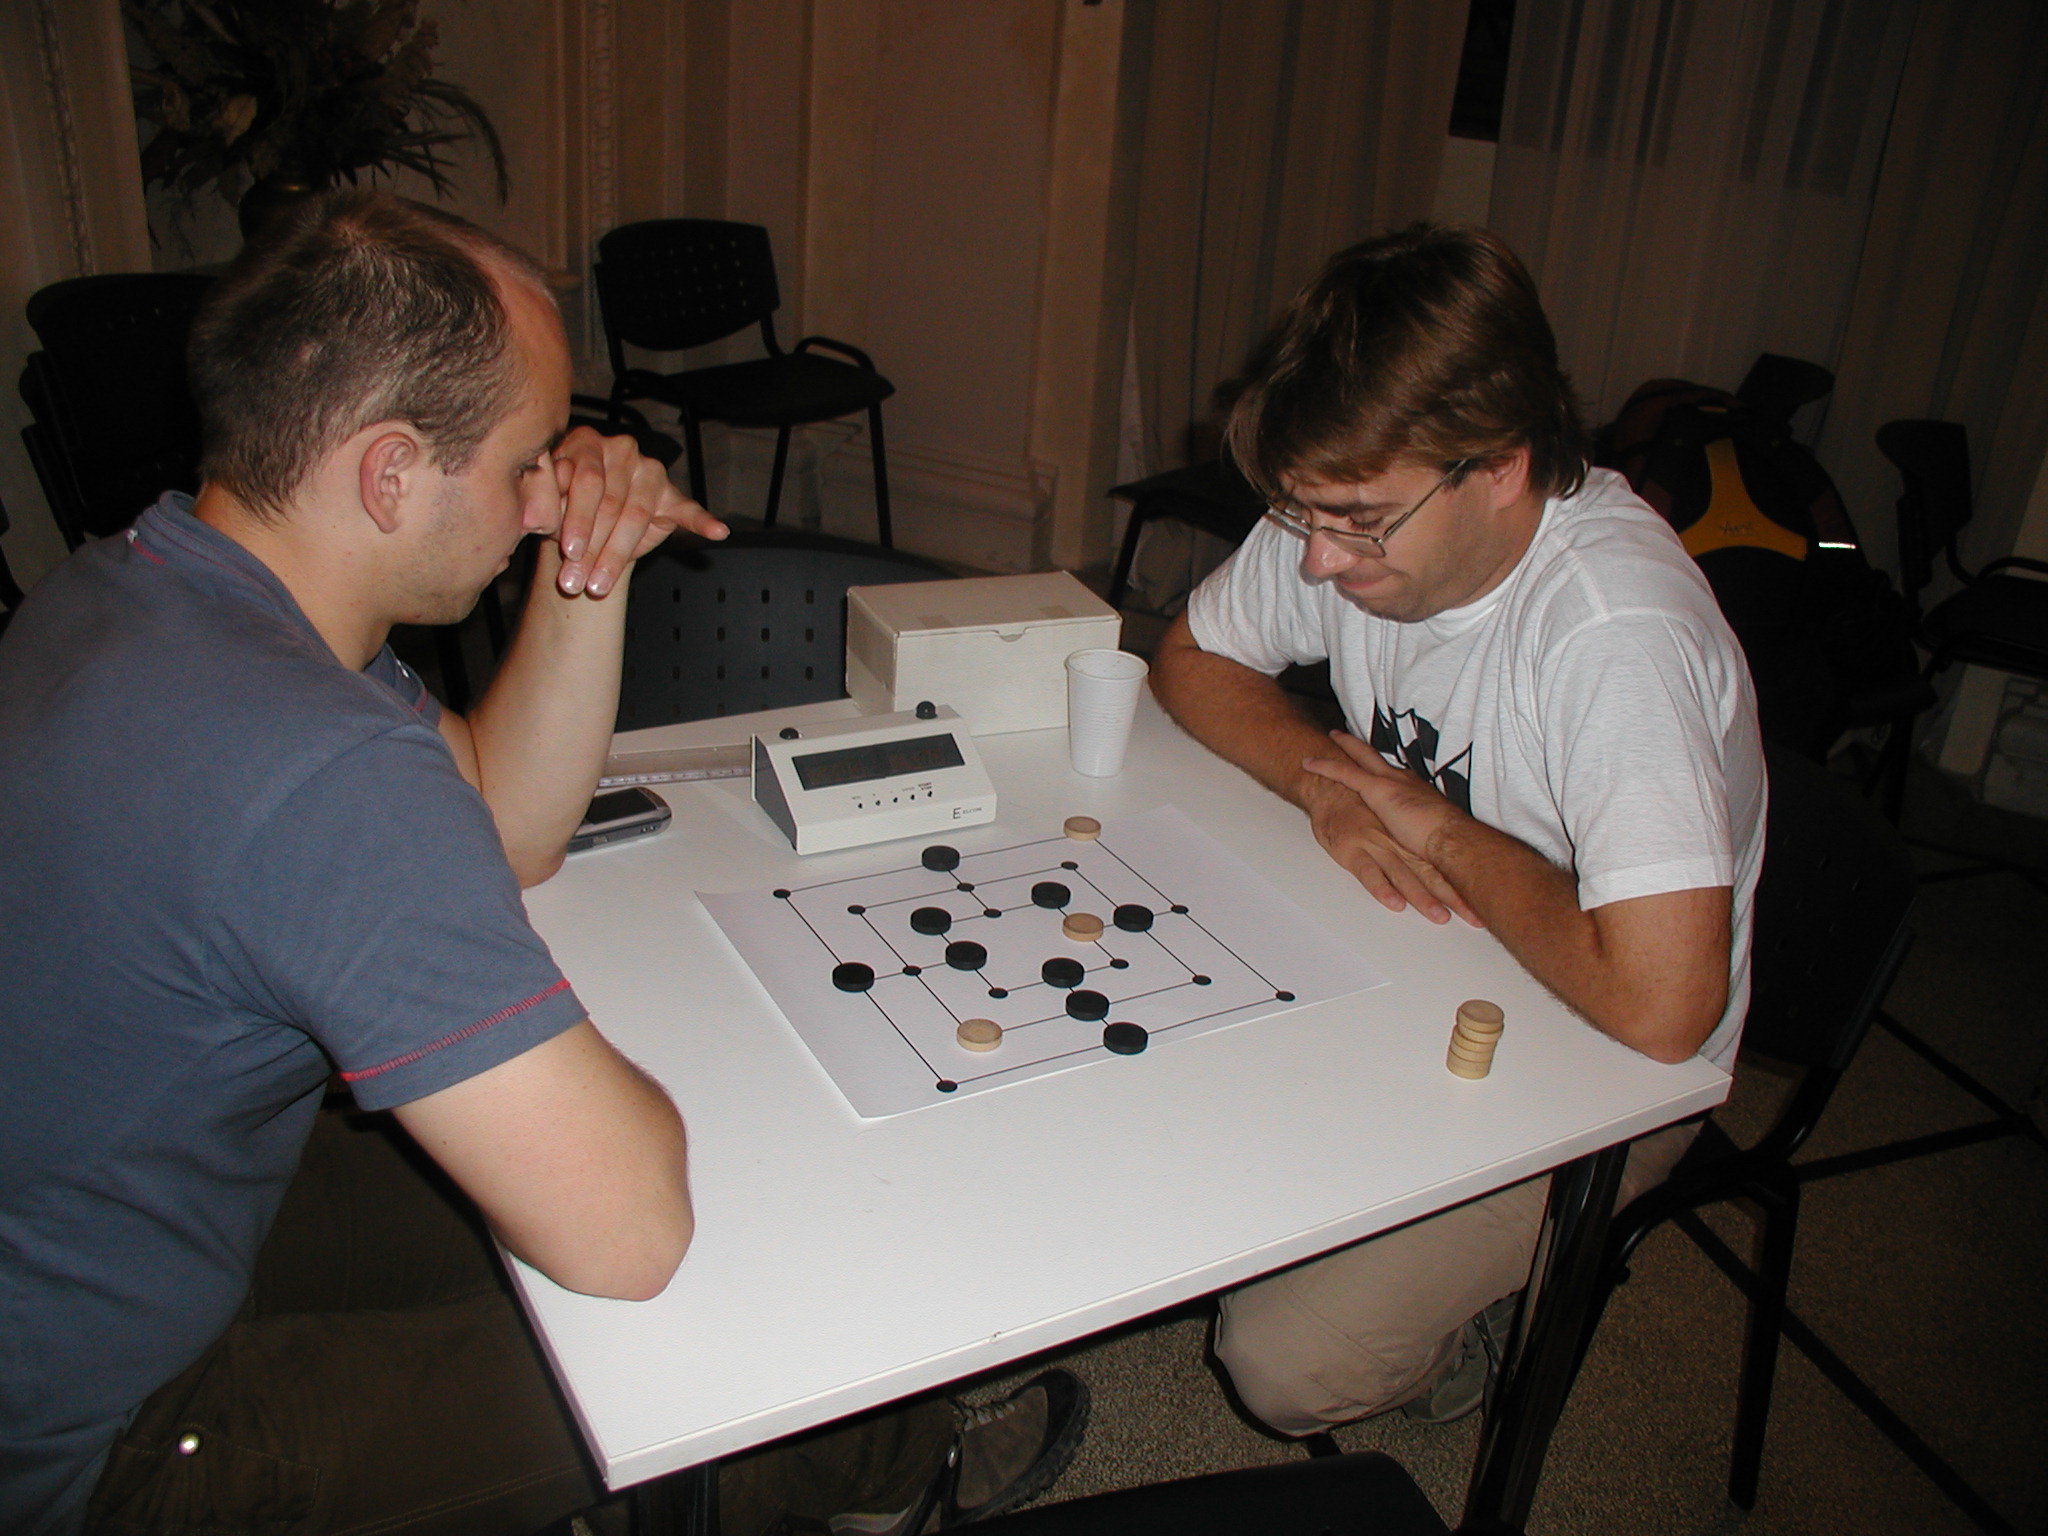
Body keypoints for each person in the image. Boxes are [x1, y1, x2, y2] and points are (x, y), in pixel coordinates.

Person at [0, 190, 1083, 1536]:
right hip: (93, 1447)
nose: (543, 498)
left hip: (126, 1228)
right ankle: (886, 1482)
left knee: (604, 1184)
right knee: (697, 1293)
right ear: (390, 473)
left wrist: (592, 560)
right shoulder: (317, 765)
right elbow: (628, 1236)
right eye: (527, 464)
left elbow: (504, 829)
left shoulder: (141, 584)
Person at [1149, 223, 1767, 1434]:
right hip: (1424, 955)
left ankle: (1458, 1359)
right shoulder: (1355, 500)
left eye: (1357, 522)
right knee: (1141, 1102)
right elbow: (1191, 657)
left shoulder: (1612, 638)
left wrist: (1434, 830)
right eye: (1298, 511)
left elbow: (1663, 1013)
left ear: (1500, 466)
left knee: (1284, 1360)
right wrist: (1322, 785)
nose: (1315, 560)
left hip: (1606, 1061)